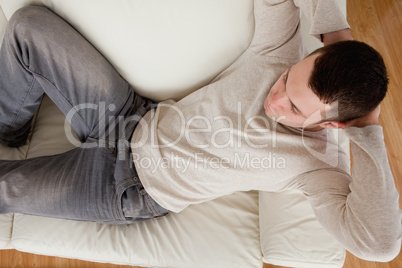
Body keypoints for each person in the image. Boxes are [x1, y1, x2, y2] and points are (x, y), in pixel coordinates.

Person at [0, 0, 400, 262]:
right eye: (287, 83)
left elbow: (379, 244)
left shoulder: (317, 168)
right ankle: (9, 128)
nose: (275, 100)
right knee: (27, 27)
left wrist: (366, 128)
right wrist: (335, 28)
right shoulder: (278, 52)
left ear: (331, 125)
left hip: (127, 186)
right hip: (128, 116)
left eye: (295, 109)